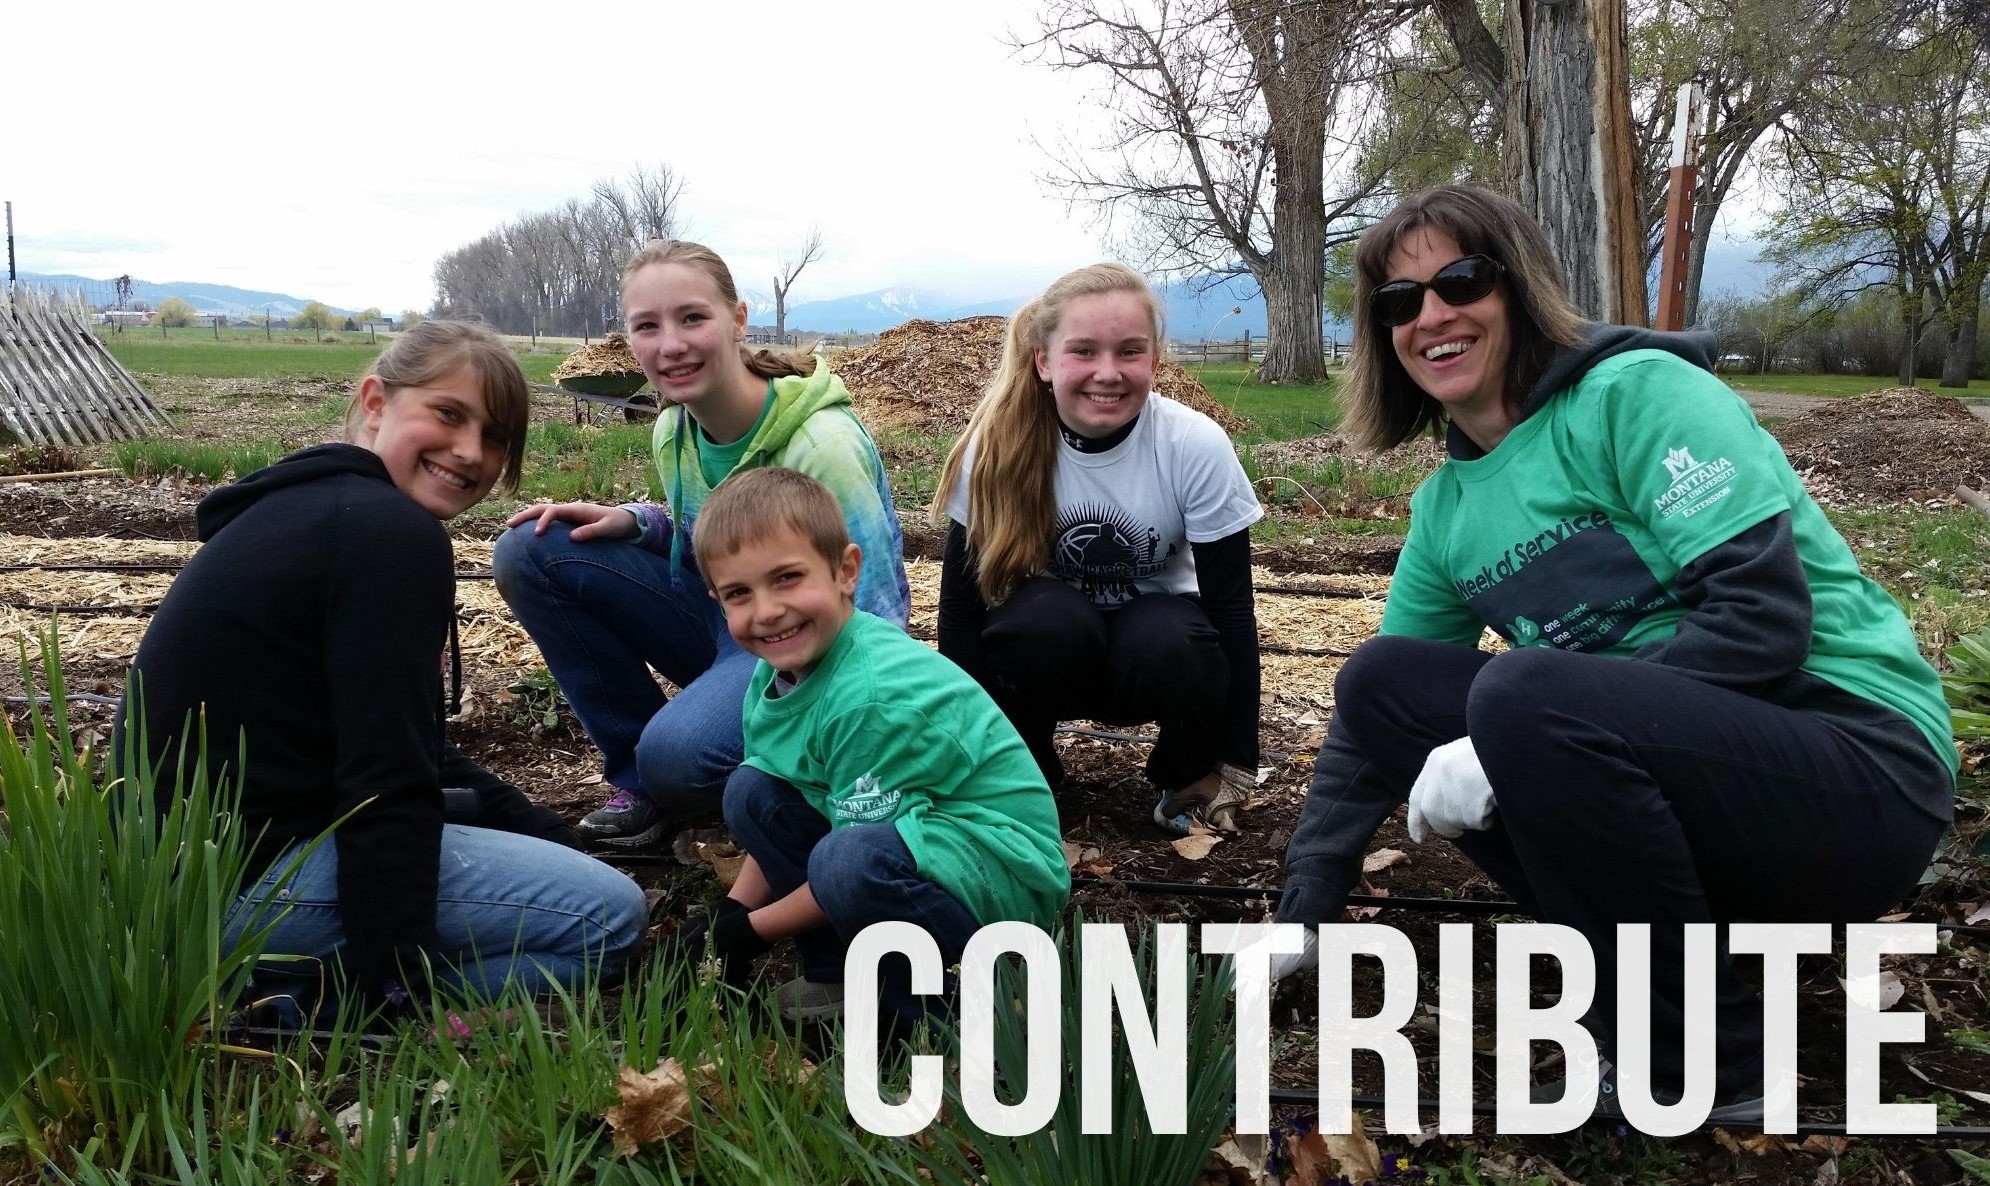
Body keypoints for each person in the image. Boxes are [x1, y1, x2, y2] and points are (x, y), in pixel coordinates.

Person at [1273, 186, 1956, 1120]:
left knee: (1521, 697)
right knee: (1385, 680)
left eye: (1460, 280)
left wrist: (1509, 732)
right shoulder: (1447, 511)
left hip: (1853, 773)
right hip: (1691, 792)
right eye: (1398, 301)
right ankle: (1670, 982)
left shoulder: (1637, 394)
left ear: (1517, 289)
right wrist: (1302, 911)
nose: (1431, 315)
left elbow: (1761, 617)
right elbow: (1368, 723)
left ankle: (1707, 1060)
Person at [122, 320, 648, 1011]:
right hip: (243, 886)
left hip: (171, 876)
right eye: (449, 414)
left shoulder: (319, 506)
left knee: (569, 880)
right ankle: (304, 1002)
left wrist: (551, 837)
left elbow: (414, 750)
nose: (469, 452)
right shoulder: (388, 537)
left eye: (494, 437)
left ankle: (276, 979)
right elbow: (386, 780)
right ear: (376, 402)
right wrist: (399, 979)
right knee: (608, 919)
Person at [495, 240, 909, 849]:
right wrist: (638, 523)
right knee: (530, 551)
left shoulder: (821, 448)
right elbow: (708, 543)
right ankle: (639, 783)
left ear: (738, 320)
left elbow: (874, 616)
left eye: (692, 318)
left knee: (679, 760)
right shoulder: (674, 427)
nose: (671, 345)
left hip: (805, 649)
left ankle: (766, 772)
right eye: (647, 326)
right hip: (726, 618)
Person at [657, 467, 1069, 1026]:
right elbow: (798, 794)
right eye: (739, 594)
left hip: (999, 867)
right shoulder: (777, 669)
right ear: (718, 601)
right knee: (752, 790)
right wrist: (731, 910)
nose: (768, 610)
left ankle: (961, 1010)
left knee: (847, 864)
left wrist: (748, 932)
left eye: (786, 578)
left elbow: (851, 860)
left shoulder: (869, 698)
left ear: (845, 571)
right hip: (920, 837)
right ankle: (841, 976)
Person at [931, 262, 1263, 836]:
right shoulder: (994, 447)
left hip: (1155, 657)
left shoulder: (1195, 445)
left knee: (1172, 638)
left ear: (1156, 361)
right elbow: (961, 612)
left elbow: (1233, 611)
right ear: (1043, 361)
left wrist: (1238, 756)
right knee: (1039, 620)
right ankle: (1026, 768)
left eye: (1129, 352)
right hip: (1050, 653)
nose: (1106, 373)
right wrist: (965, 750)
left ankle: (1182, 776)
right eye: (1083, 351)